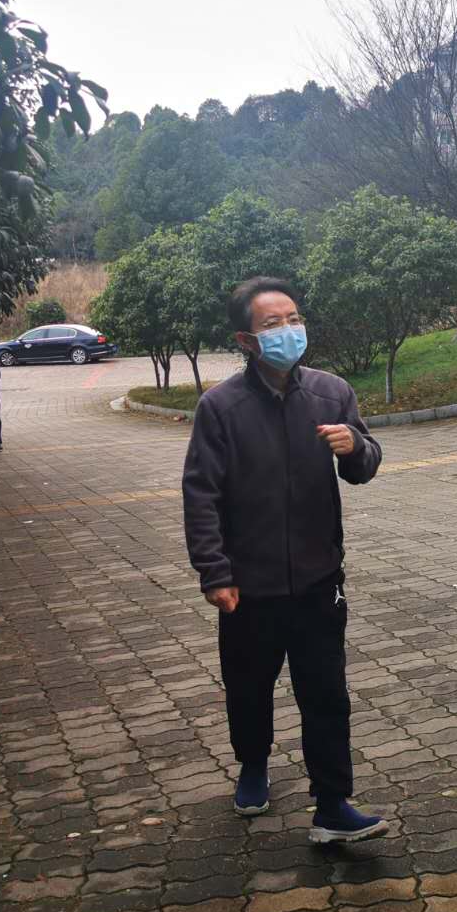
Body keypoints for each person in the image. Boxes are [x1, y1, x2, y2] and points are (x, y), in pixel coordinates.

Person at [182, 277, 389, 844]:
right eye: (272, 324)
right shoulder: (221, 407)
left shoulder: (330, 392)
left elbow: (365, 463)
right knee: (248, 686)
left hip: (319, 580)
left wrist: (356, 447)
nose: (288, 331)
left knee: (326, 693)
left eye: (293, 319)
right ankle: (253, 763)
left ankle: (333, 804)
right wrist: (214, 572)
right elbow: (201, 494)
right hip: (249, 587)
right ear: (246, 340)